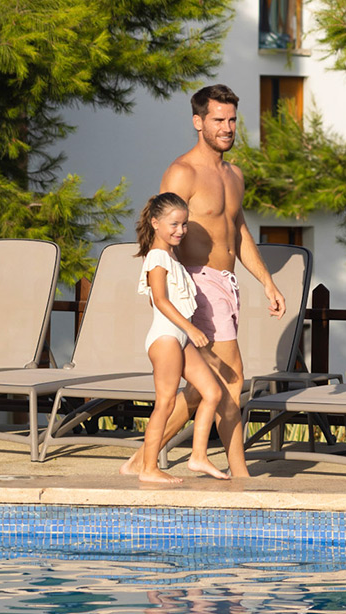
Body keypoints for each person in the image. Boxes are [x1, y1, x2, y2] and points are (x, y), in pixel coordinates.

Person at [121, 84, 286, 478]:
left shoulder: (234, 175)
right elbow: (162, 229)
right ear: (198, 122)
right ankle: (240, 474)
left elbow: (238, 232)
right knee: (232, 378)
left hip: (226, 284)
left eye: (232, 120)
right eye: (218, 120)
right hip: (197, 285)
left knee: (201, 389)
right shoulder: (183, 172)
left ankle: (141, 460)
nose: (227, 127)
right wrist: (170, 295)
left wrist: (267, 281)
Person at [135, 192, 229, 483]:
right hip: (166, 337)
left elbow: (159, 299)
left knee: (211, 392)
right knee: (164, 403)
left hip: (178, 337)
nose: (180, 230)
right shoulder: (157, 256)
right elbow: (159, 300)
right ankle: (148, 468)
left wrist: (187, 333)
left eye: (184, 224)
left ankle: (198, 456)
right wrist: (190, 329)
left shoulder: (170, 256)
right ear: (155, 223)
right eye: (174, 224)